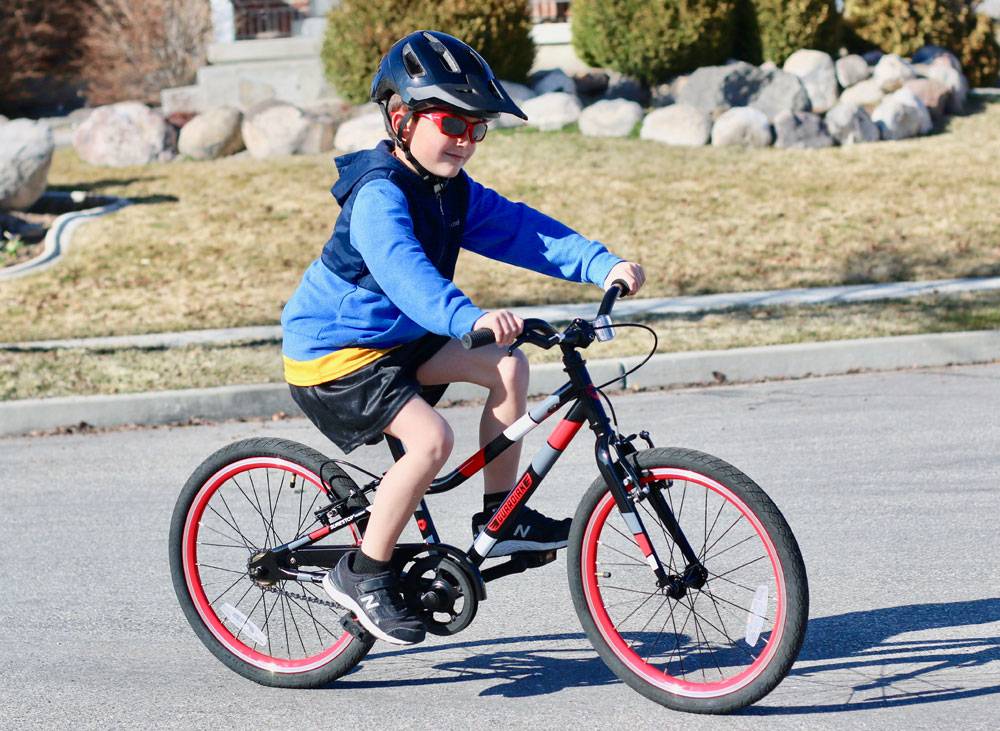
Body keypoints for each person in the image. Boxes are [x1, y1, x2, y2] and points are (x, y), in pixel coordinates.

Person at [280, 30, 645, 646]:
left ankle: (503, 515)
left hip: (399, 340)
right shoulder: (379, 196)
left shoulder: (447, 190)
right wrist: (464, 317)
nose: (466, 140)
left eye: (478, 129)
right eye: (452, 122)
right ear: (401, 117)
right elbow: (403, 272)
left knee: (507, 366)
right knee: (431, 440)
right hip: (336, 354)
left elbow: (521, 230)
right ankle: (362, 573)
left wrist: (598, 263)